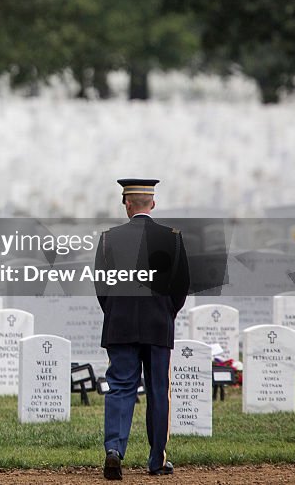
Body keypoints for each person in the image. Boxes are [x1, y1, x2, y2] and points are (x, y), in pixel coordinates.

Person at [95, 179, 190, 480]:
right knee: (158, 390)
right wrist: (166, 312)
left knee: (121, 387)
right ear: (153, 203)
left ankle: (114, 450)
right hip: (158, 324)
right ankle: (156, 461)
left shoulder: (109, 239)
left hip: (121, 324)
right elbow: (181, 286)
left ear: (127, 204)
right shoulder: (172, 238)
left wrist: (116, 312)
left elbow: (102, 287)